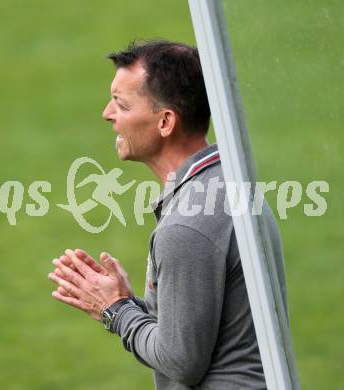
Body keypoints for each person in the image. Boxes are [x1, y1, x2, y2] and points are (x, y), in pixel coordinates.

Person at [48, 40, 287, 389]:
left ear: (165, 122)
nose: (107, 114)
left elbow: (181, 361)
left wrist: (116, 311)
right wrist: (132, 305)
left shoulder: (188, 225)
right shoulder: (229, 183)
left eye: (121, 104)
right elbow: (206, 327)